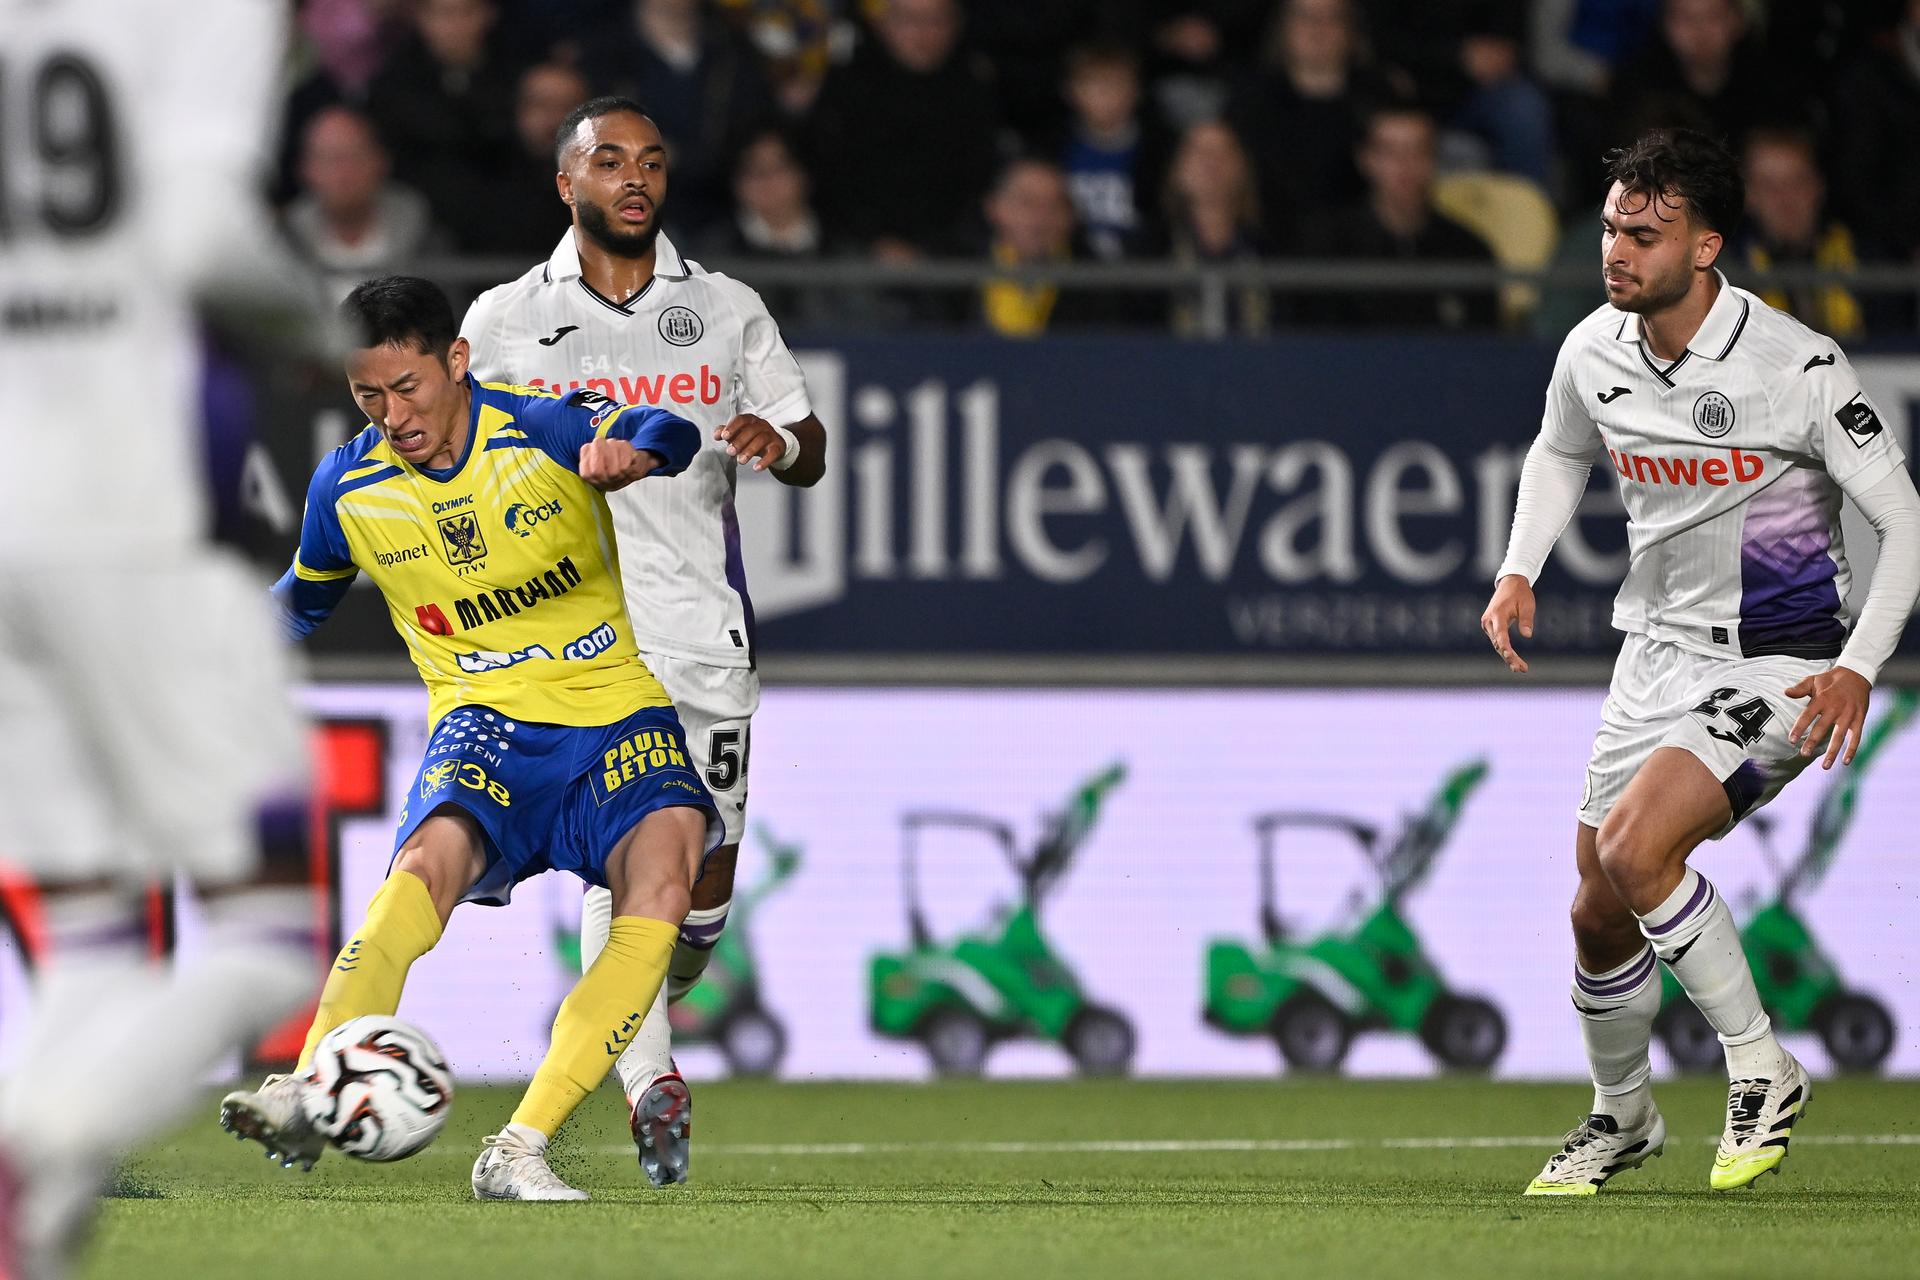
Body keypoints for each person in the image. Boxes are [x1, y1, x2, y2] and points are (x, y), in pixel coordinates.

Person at [217, 276, 723, 1203]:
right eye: (367, 394)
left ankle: (518, 1149)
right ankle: (303, 1086)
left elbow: (670, 431)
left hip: (613, 708)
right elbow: (304, 599)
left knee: (666, 872)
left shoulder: (539, 426)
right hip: (483, 722)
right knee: (423, 869)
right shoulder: (350, 485)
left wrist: (631, 456)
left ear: (457, 360)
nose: (391, 414)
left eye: (406, 387)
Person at [1483, 129, 1920, 1196]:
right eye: (1610, 230)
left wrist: (1861, 664)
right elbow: (1558, 449)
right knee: (1596, 905)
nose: (1617, 252)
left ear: (1707, 245)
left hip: (1779, 661)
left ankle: (1762, 1063)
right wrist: (1517, 567)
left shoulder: (1799, 366)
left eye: (1645, 233)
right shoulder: (1591, 348)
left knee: (1637, 850)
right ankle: (1622, 1115)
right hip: (1654, 656)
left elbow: (1905, 521)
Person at [0, 1, 323, 1274]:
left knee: (84, 932)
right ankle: (32, 1138)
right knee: (266, 935)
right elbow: (201, 235)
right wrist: (314, 326)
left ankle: (39, 1207)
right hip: (135, 513)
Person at [457, 97, 828, 1188]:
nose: (634, 178)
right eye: (609, 161)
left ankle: (652, 1015)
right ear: (565, 183)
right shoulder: (507, 317)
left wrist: (778, 438)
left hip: (702, 630)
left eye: (652, 163)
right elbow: (451, 463)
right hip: (574, 641)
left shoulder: (725, 307)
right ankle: (648, 1084)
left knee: (697, 910)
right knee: (633, 864)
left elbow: (809, 444)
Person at [1300, 102, 1499, 330]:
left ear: (1435, 159)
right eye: (1391, 152)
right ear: (1366, 160)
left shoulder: (1469, 251)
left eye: (1419, 151)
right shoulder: (1327, 245)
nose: (1406, 165)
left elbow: (1483, 351)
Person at [283, 105, 449, 301]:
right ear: (305, 169)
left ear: (381, 161)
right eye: (329, 159)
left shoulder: (429, 244)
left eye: (354, 156)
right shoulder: (280, 248)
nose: (343, 173)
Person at [1736, 128, 1869, 341]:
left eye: (1797, 182)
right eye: (1768, 186)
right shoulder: (1726, 269)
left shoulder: (1866, 254)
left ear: (1818, 186)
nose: (1785, 199)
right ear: (1748, 195)